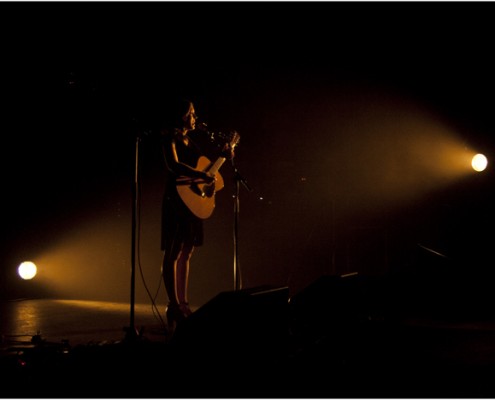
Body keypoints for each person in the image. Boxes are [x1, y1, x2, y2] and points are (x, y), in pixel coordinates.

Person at [159, 98, 234, 332]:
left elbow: (205, 174)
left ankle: (183, 303)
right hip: (176, 200)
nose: (195, 117)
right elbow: (173, 165)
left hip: (191, 200)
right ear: (181, 115)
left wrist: (218, 166)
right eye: (192, 113)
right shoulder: (169, 136)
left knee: (187, 251)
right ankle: (173, 305)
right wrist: (202, 178)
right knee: (173, 250)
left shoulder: (189, 140)